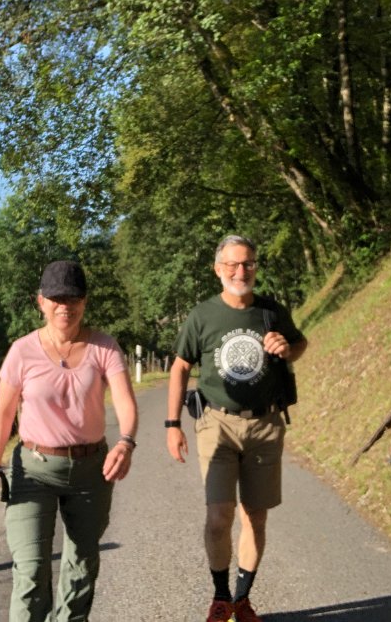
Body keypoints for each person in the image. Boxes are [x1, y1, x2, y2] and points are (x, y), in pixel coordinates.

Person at [0, 259, 138, 622]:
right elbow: (3, 412)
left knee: (82, 564)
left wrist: (126, 442)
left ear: (84, 301)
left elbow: (125, 402)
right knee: (31, 569)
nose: (65, 306)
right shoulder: (22, 351)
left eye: (73, 298)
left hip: (91, 471)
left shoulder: (104, 347)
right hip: (33, 470)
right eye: (57, 298)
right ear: (41, 301)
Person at [165, 235, 308, 622]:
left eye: (248, 264)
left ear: (255, 267)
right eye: (232, 264)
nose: (240, 271)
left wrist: (287, 349)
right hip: (217, 423)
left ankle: (242, 601)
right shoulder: (203, 315)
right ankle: (220, 597)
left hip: (265, 424)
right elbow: (180, 367)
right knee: (218, 517)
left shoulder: (271, 311)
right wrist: (172, 424)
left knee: (255, 517)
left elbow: (299, 344)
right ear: (218, 269)